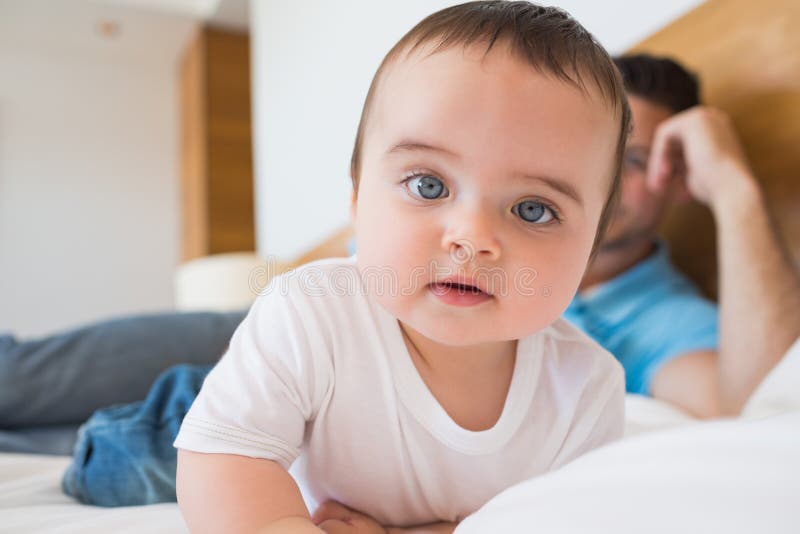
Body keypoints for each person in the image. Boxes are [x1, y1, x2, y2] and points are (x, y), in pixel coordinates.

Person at [173, 2, 630, 533]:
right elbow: (225, 455)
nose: (473, 238)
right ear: (356, 197)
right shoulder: (312, 313)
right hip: (255, 409)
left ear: (593, 243)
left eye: (534, 209)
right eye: (428, 186)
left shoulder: (587, 392)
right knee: (125, 462)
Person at [565, 54, 800, 418]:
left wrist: (732, 187)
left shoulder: (671, 323)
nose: (603, 179)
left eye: (634, 160)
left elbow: (764, 409)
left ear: (681, 179)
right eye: (590, 147)